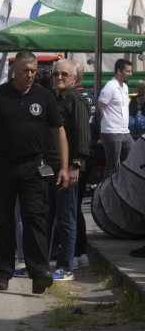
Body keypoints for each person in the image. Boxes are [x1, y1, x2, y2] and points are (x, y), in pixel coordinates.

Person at [0, 50, 70, 294]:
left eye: (33, 71)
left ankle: (39, 273)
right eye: (26, 70)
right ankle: (3, 272)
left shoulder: (44, 97)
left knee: (35, 218)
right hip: (1, 167)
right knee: (3, 221)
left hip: (34, 167)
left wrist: (64, 167)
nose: (30, 75)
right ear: (15, 70)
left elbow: (59, 132)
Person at [45, 59, 90, 282]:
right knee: (48, 216)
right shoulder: (52, 98)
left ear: (74, 78)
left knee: (66, 218)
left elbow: (83, 137)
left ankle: (66, 266)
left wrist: (75, 166)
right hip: (49, 168)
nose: (59, 77)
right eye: (56, 74)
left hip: (67, 168)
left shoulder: (76, 100)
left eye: (64, 74)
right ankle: (44, 263)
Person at [72, 61, 96, 268]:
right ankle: (79, 252)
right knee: (74, 206)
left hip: (76, 160)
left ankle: (75, 252)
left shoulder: (74, 99)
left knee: (70, 208)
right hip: (89, 156)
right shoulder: (92, 98)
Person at [99, 58, 134, 182]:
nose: (131, 74)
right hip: (112, 132)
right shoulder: (110, 86)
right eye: (128, 71)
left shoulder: (124, 86)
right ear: (119, 71)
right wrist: (107, 123)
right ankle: (104, 195)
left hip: (125, 131)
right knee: (112, 166)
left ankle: (123, 187)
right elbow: (101, 105)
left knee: (135, 157)